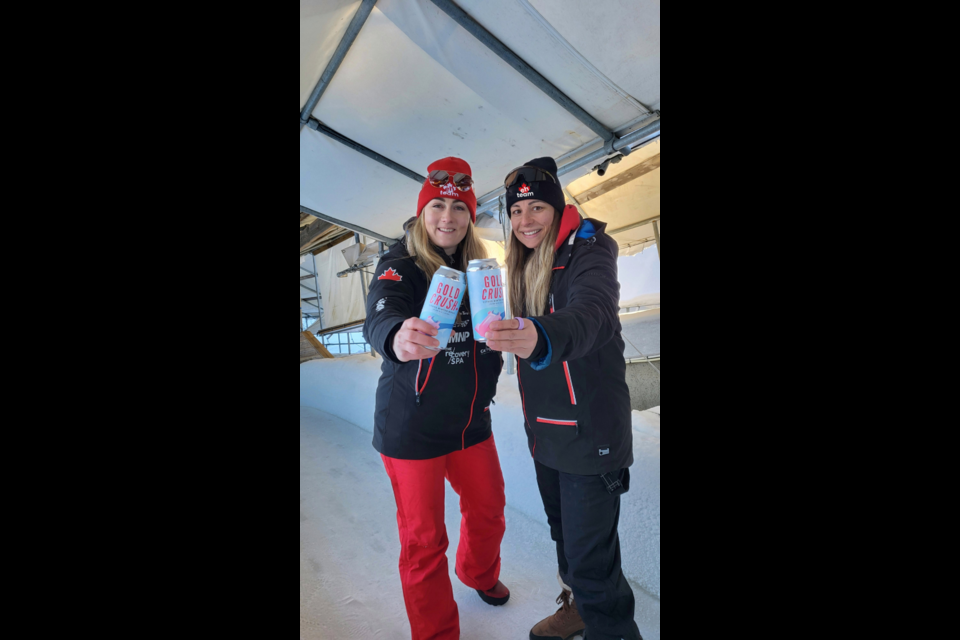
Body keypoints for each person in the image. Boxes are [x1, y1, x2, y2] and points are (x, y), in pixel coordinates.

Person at [486, 157, 643, 640]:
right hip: (546, 435)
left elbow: (593, 312)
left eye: (536, 207)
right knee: (566, 542)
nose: (525, 220)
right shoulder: (523, 263)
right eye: (516, 212)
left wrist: (542, 335)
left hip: (590, 433)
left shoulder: (590, 249)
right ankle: (576, 609)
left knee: (593, 560)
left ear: (556, 208)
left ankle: (611, 629)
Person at [363, 158, 510, 640]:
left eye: (458, 208)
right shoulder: (398, 264)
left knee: (489, 509)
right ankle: (436, 633)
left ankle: (478, 574)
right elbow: (381, 316)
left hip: (471, 420)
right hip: (411, 426)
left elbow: (490, 337)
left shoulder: (482, 271)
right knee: (425, 541)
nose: (447, 217)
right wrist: (396, 336)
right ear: (422, 213)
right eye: (437, 206)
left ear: (470, 216)